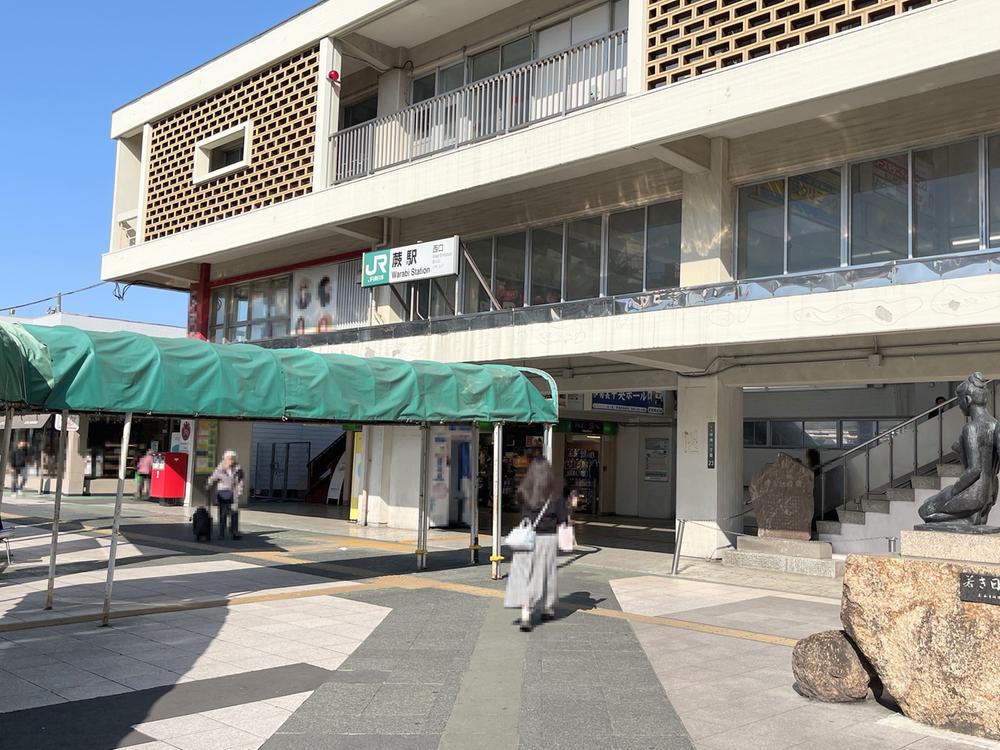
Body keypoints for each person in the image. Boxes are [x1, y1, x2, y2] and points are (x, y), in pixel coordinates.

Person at [504, 458, 567, 632]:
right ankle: (546, 608)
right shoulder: (555, 494)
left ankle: (525, 614)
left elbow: (522, 513)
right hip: (547, 538)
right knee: (546, 573)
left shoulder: (523, 491)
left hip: (526, 539)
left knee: (525, 574)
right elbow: (562, 518)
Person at [206, 450, 244, 540]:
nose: (231, 460)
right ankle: (221, 532)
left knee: (234, 512)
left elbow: (240, 481)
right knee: (223, 513)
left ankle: (234, 531)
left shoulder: (238, 468)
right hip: (223, 492)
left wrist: (240, 491)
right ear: (225, 459)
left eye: (233, 459)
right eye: (229, 459)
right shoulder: (220, 468)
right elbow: (213, 477)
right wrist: (209, 484)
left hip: (234, 492)